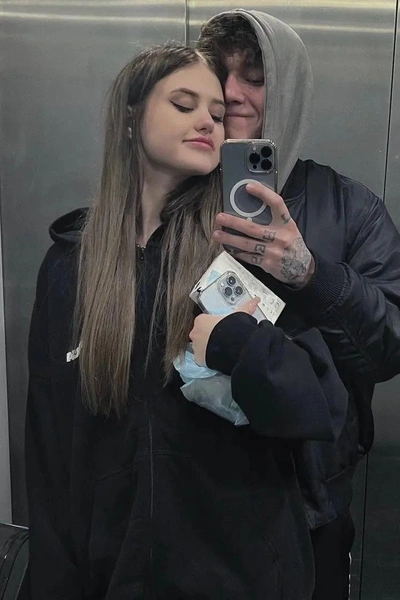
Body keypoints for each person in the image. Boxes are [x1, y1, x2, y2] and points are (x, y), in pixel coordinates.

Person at [25, 42, 348, 599]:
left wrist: (241, 344)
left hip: (241, 573)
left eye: (217, 115)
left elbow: (317, 409)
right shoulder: (69, 267)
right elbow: (51, 445)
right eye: (183, 104)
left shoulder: (245, 249)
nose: (207, 122)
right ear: (131, 118)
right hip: (111, 573)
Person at [196, 9, 400, 600]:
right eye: (219, 74)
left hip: (308, 497)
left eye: (255, 77)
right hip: (190, 491)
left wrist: (313, 275)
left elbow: (390, 346)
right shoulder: (175, 195)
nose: (231, 93)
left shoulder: (349, 207)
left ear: (288, 92)